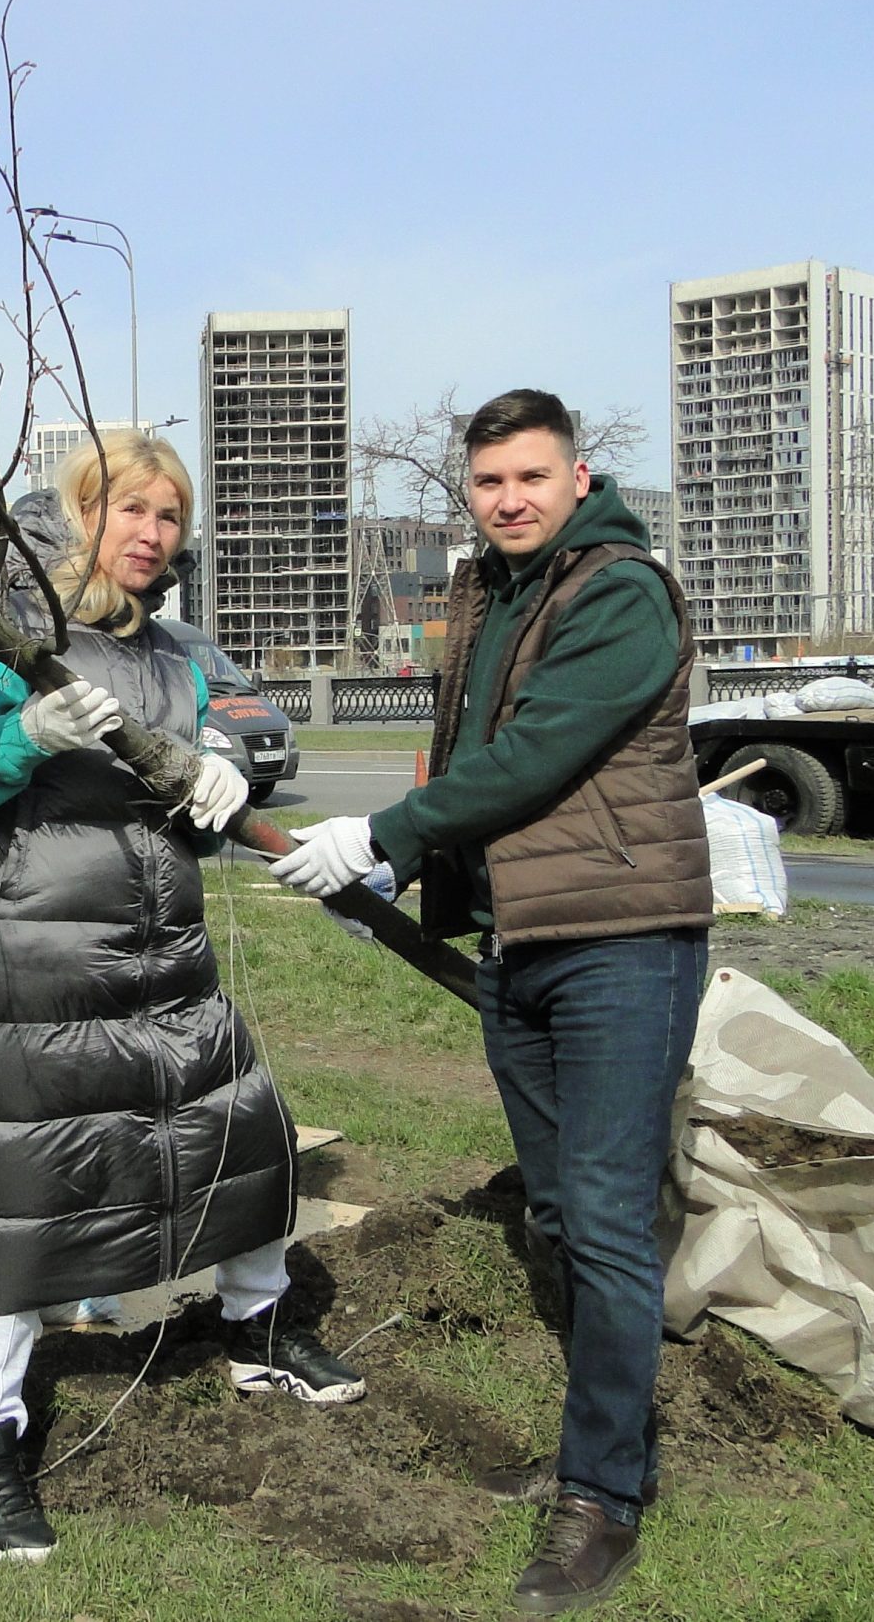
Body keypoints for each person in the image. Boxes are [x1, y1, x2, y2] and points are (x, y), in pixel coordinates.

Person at [271, 389, 710, 1615]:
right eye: (486, 483)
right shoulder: (494, 595)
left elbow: (539, 757)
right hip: (524, 945)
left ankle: (602, 1501)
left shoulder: (617, 589)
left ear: (577, 478)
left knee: (611, 1223)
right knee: (563, 1216)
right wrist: (396, 863)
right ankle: (598, 1448)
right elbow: (473, 768)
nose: (508, 499)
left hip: (622, 941)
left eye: (529, 477)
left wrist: (380, 829)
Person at [0, 434, 364, 1565]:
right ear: (82, 515)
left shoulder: (180, 654)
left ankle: (255, 1328)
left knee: (242, 1133)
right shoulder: (7, 645)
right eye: (130, 511)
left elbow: (210, 775)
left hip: (164, 950)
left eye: (168, 515)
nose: (152, 534)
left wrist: (224, 768)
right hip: (37, 966)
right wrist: (18, 733)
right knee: (24, 1195)